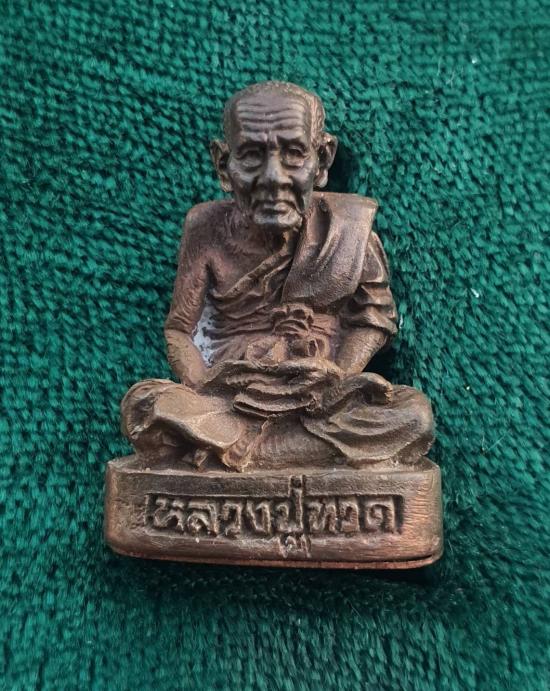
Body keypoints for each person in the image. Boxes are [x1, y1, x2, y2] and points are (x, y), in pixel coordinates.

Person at [121, 81, 434, 471]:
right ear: (223, 164)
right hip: (231, 391)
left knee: (413, 416)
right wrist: (204, 385)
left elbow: (372, 318)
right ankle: (263, 445)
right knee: (146, 407)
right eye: (252, 156)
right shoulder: (205, 229)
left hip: (319, 393)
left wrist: (337, 378)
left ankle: (238, 451)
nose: (273, 177)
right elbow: (179, 330)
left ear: (322, 161)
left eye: (294, 154)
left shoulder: (347, 229)